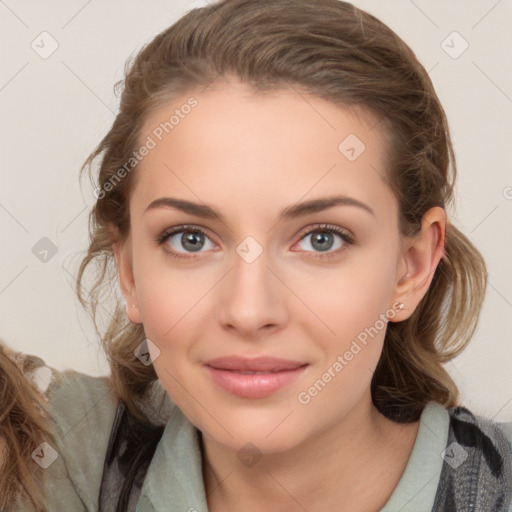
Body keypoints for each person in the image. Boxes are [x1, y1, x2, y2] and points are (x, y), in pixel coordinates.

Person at [1, 0, 511, 510]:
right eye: (190, 239)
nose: (249, 311)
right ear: (129, 270)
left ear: (412, 267)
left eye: (321, 239)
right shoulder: (51, 457)